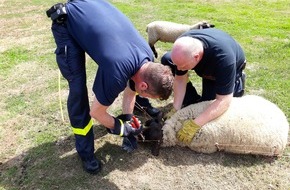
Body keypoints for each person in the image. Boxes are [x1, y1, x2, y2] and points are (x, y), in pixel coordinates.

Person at [47, 0, 173, 174]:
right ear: (144, 84)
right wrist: (122, 128)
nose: (142, 95)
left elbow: (131, 92)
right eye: (149, 95)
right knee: (78, 89)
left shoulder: (147, 59)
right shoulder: (117, 71)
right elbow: (96, 112)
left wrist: (128, 120)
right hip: (67, 23)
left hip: (90, 8)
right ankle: (86, 153)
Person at [161, 28, 246, 144]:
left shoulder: (224, 59)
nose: (179, 69)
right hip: (207, 65)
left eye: (182, 66)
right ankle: (192, 99)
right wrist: (175, 108)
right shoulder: (184, 44)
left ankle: (236, 84)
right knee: (167, 59)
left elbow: (223, 101)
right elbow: (180, 79)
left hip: (222, 70)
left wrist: (194, 125)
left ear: (196, 57)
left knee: (210, 107)